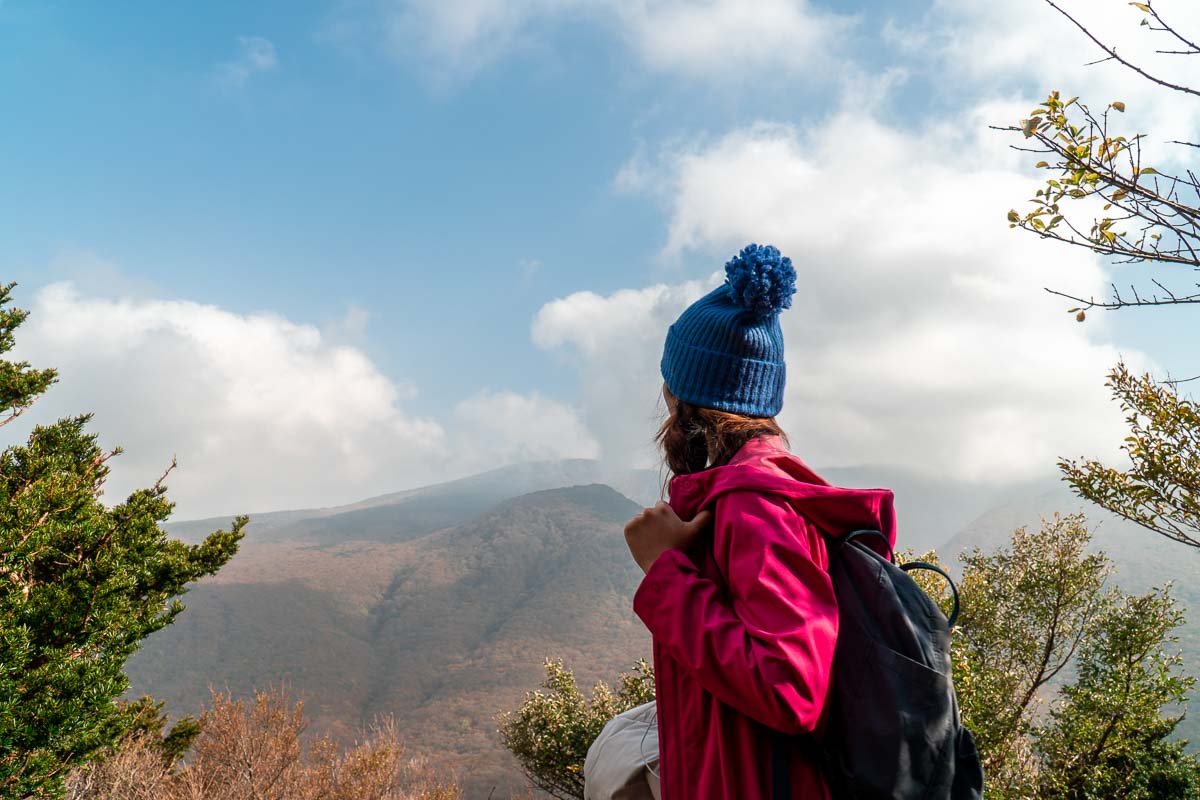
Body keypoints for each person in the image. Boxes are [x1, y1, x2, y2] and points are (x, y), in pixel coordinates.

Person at [623, 243, 897, 799]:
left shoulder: (756, 506)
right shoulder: (753, 496)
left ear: (683, 396)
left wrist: (666, 572)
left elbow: (789, 688)